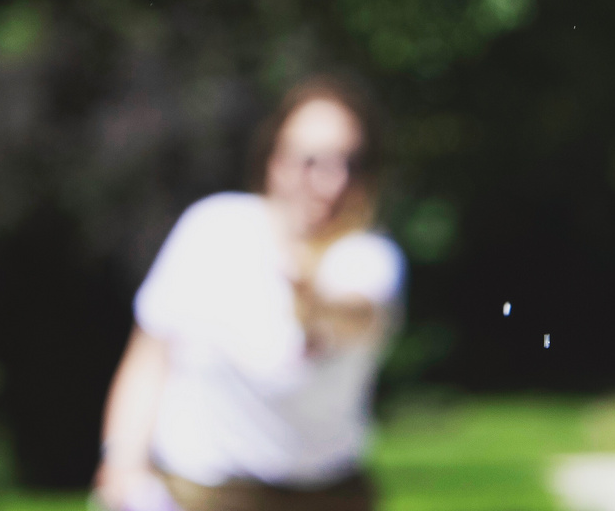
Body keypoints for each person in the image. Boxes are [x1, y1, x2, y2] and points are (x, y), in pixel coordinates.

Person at [94, 76, 405, 511]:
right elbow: (150, 356)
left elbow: (358, 316)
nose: (330, 181)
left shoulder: (368, 255)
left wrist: (311, 300)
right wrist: (122, 464)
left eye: (349, 162)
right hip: (204, 492)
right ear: (275, 161)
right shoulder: (213, 229)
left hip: (327, 495)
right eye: (310, 160)